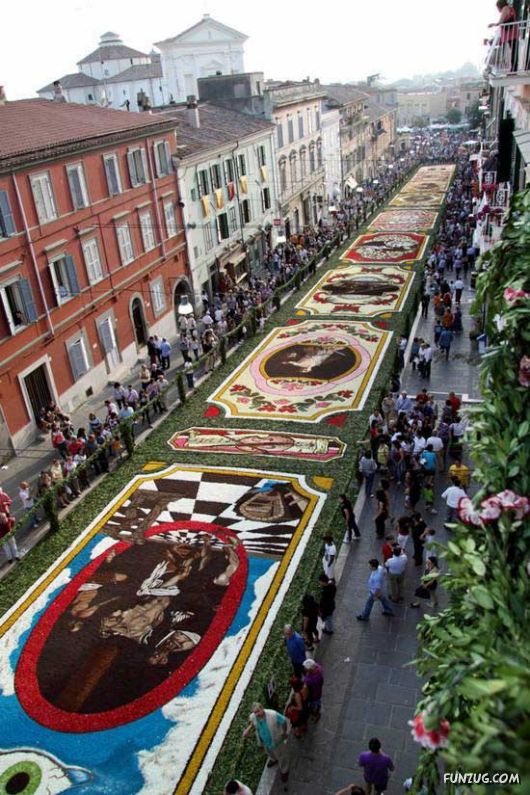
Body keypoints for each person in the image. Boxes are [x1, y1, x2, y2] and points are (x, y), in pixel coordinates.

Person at [242, 703, 289, 782]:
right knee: (269, 752)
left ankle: (284, 770)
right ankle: (274, 759)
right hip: (265, 741)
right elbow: (253, 723)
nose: (257, 714)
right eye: (255, 712)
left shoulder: (272, 715)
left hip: (276, 740)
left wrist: (284, 732)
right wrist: (248, 729)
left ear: (262, 708)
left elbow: (284, 721)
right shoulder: (254, 716)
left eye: (258, 711)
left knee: (281, 756)